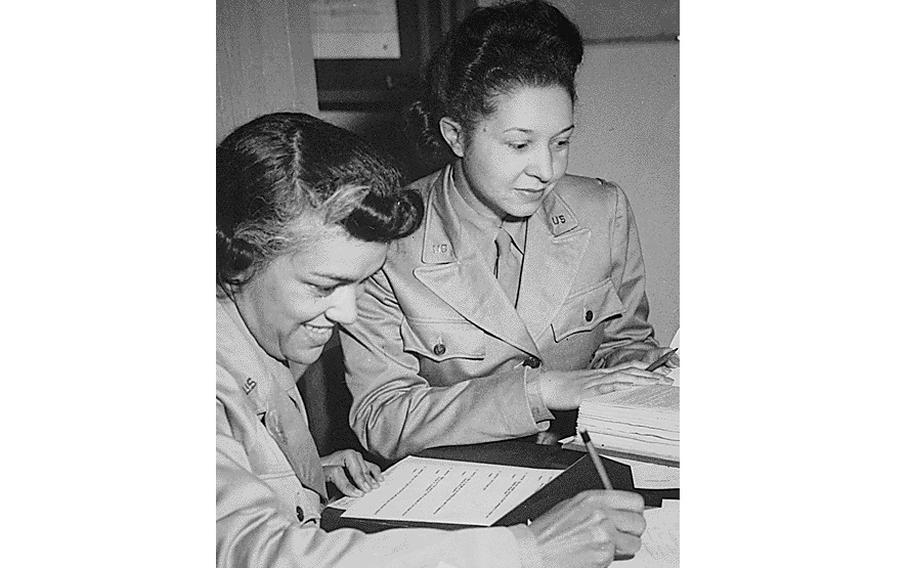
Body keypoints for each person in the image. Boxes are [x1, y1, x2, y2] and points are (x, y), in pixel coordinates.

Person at [216, 112, 647, 568]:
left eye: (361, 284)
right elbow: (257, 555)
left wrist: (298, 479)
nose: (347, 314)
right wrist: (528, 550)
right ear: (237, 257)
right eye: (324, 287)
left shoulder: (252, 337)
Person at [340, 0, 678, 461]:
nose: (546, 170)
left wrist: (645, 374)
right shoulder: (385, 241)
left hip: (584, 462)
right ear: (456, 136)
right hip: (453, 490)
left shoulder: (603, 211)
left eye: (561, 142)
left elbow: (624, 344)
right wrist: (540, 391)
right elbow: (384, 417)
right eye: (519, 144)